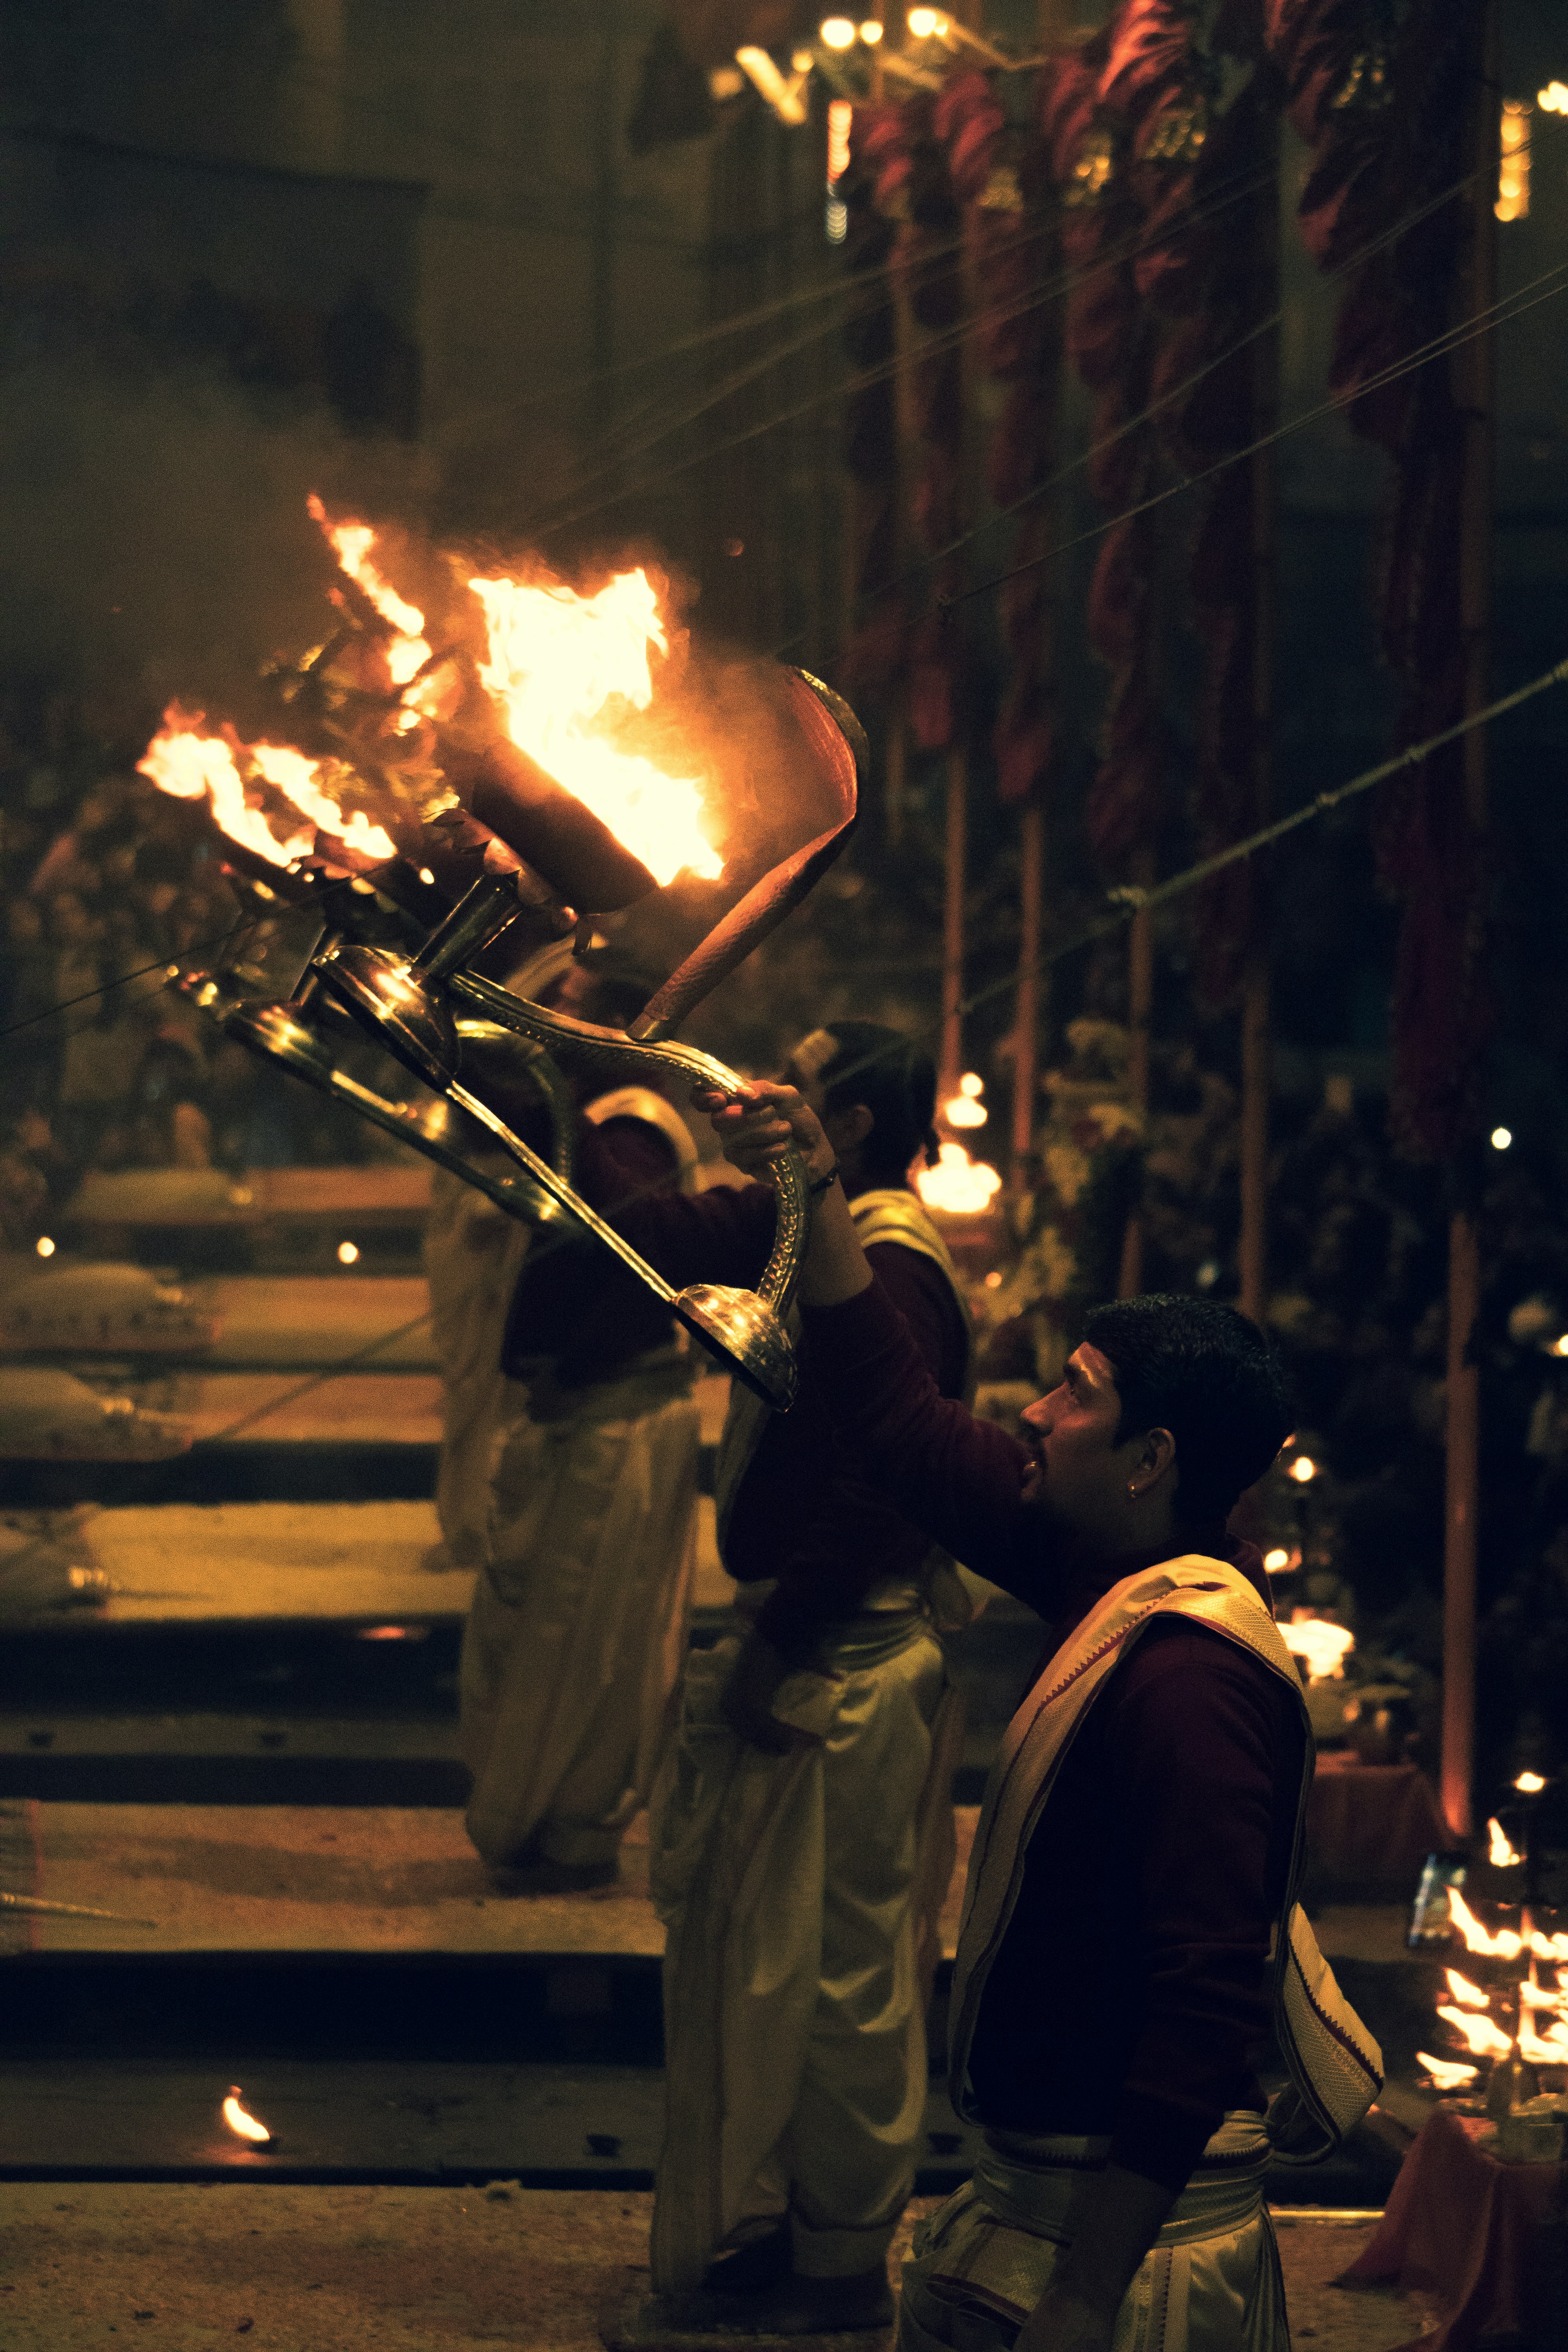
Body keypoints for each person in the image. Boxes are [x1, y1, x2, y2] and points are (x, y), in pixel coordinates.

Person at [699, 1074, 1379, 2352]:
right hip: (1037, 2195)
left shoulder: (1192, 1685)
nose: (1034, 1412)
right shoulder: (1098, 1564)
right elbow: (903, 1427)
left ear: (1150, 1459)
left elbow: (1204, 2004)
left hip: (1124, 2262)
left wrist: (1082, 2295)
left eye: (1075, 1393)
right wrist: (817, 1182)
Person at [575, 1022, 975, 2332]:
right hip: (816, 1648)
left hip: (844, 1663)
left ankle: (843, 2260)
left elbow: (878, 1483)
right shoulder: (813, 1217)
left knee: (841, 1983)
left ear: (849, 1127)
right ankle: (788, 2223)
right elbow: (666, 1233)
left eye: (796, 1081)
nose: (758, 1090)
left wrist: (780, 1641)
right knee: (766, 1968)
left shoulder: (893, 1268)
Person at [453, 947, 704, 1893]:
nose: (543, 1022)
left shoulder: (631, 1134)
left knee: (586, 1647)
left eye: (565, 1012)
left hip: (611, 1419)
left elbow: (636, 1267)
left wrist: (567, 1366)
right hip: (578, 1417)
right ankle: (537, 1823)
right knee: (532, 1631)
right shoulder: (592, 1121)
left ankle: (568, 1829)